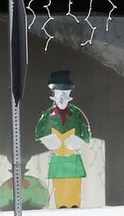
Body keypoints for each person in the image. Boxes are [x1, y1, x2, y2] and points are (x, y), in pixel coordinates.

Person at [34, 71, 92, 208]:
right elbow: (40, 132)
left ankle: (74, 205)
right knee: (59, 182)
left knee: (74, 182)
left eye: (65, 93)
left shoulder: (76, 113)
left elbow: (85, 131)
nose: (61, 98)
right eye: (58, 93)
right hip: (58, 156)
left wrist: (80, 141)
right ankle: (61, 205)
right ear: (53, 94)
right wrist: (48, 140)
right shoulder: (49, 115)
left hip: (73, 156)